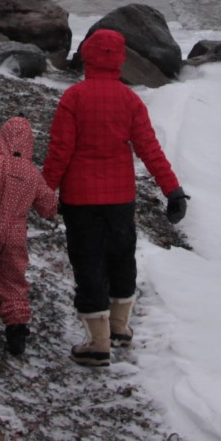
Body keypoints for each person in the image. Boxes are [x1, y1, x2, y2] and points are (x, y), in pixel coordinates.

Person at [41, 27, 190, 367]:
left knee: (89, 263)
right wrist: (173, 190)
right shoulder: (130, 100)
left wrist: (43, 191)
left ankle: (98, 342)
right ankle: (120, 327)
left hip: (80, 200)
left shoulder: (73, 98)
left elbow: (60, 152)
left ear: (87, 56)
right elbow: (150, 150)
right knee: (122, 257)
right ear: (120, 60)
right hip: (120, 198)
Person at [0, 115, 59, 357]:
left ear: (2, 137)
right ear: (29, 143)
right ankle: (16, 330)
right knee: (13, 282)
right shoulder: (33, 174)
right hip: (16, 234)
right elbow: (48, 206)